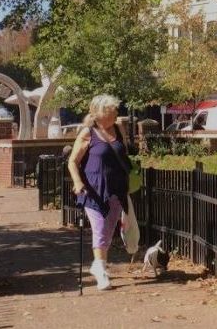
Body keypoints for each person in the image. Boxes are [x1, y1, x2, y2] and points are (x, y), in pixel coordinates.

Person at [68, 94, 131, 290]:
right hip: (94, 189)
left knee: (108, 230)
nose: (116, 114)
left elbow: (124, 153)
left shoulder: (119, 128)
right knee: (100, 228)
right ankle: (101, 271)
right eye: (112, 111)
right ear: (100, 113)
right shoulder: (88, 133)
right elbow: (72, 161)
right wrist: (78, 182)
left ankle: (98, 265)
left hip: (117, 189)